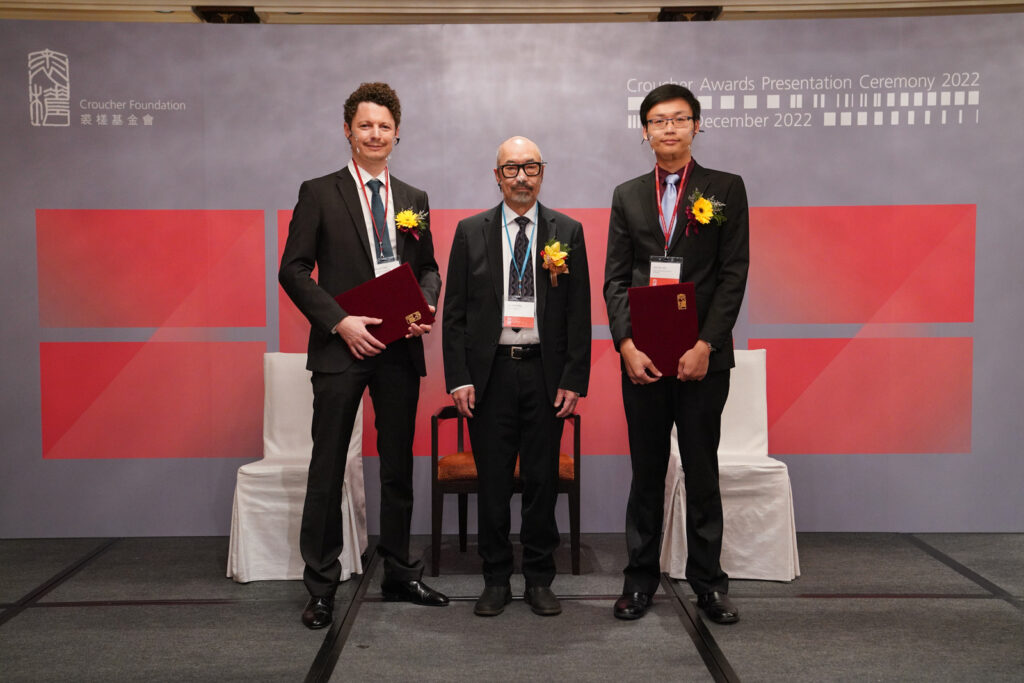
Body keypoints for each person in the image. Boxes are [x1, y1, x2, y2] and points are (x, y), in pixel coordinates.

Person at [279, 82, 448, 630]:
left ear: (397, 134)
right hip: (341, 347)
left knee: (398, 466)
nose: (375, 134)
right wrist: (339, 321)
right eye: (365, 126)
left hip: (399, 347)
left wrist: (425, 302)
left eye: (384, 126)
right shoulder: (319, 191)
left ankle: (400, 571)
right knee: (328, 467)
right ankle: (322, 585)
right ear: (348, 132)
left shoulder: (415, 199)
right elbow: (294, 270)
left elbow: (428, 267)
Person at [603, 84, 749, 624]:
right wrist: (625, 345)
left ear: (696, 127)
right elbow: (616, 278)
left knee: (702, 469)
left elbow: (733, 276)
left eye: (680, 119)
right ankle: (639, 580)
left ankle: (709, 583)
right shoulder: (627, 194)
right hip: (644, 359)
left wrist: (706, 344)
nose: (669, 128)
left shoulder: (725, 189)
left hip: (702, 360)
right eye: (659, 121)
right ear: (644, 131)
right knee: (645, 473)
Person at [442, 136, 591, 617]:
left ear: (542, 172)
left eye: (530, 167)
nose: (521, 177)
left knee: (543, 481)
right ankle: (496, 578)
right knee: (493, 484)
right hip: (490, 378)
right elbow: (455, 315)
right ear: (497, 175)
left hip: (546, 375)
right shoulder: (470, 232)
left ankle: (541, 578)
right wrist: (459, 377)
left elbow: (578, 315)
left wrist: (574, 378)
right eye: (511, 169)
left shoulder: (567, 231)